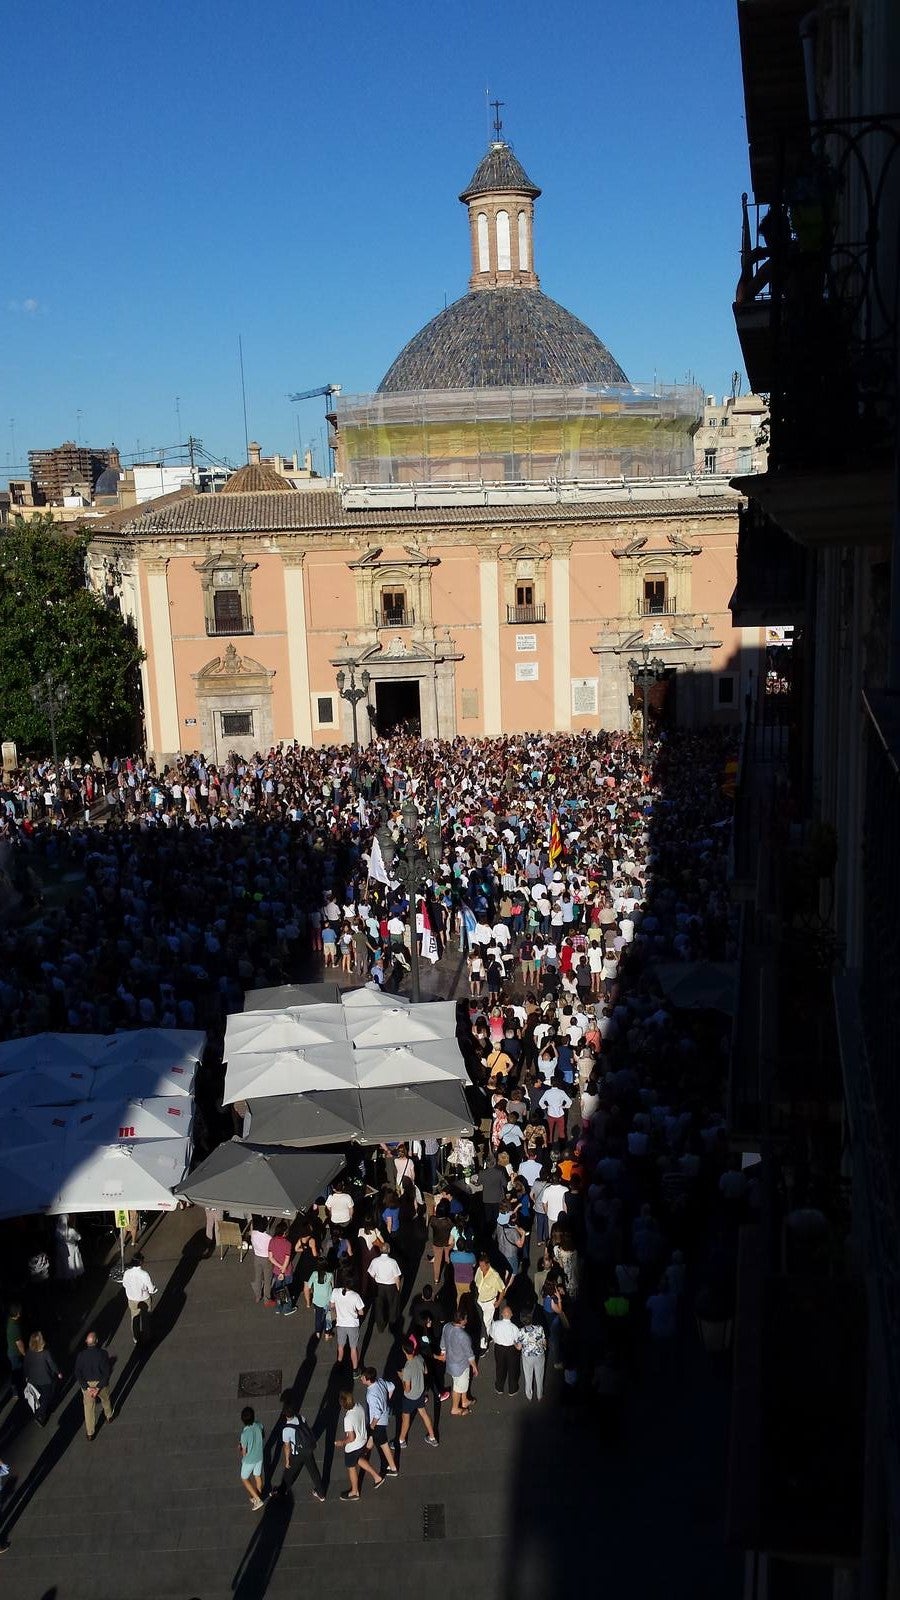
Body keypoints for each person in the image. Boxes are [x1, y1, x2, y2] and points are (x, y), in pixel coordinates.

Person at [275, 1390, 325, 1501]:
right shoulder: (301, 1418)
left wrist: (287, 1460)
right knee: (314, 1471)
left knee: (288, 1474)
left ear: (284, 1414)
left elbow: (287, 1446)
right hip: (307, 1449)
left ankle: (282, 1491)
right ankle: (321, 1493)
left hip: (297, 1454)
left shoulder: (287, 1429)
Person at [335, 1390, 385, 1500]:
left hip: (353, 1447)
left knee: (351, 1467)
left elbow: (351, 1437)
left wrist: (342, 1442)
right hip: (363, 1440)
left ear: (343, 1405)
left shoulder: (347, 1418)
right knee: (359, 1459)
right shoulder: (359, 1406)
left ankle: (354, 1492)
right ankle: (377, 1477)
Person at [397, 1337, 439, 1450]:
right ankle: (432, 1437)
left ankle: (401, 1440)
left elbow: (407, 1389)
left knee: (406, 1418)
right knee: (424, 1414)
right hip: (420, 1393)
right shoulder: (419, 1358)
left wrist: (401, 1377)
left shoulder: (407, 1368)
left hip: (410, 1398)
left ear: (404, 1351)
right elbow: (425, 1371)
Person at [74, 1331, 114, 1440]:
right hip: (100, 1383)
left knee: (88, 1408)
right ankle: (109, 1416)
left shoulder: (81, 1355)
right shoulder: (103, 1354)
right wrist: (98, 1387)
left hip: (87, 1385)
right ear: (97, 1341)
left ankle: (90, 1432)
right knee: (106, 1399)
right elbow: (106, 1373)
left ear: (86, 1342)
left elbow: (78, 1372)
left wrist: (87, 1387)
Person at [438, 1309, 478, 1417]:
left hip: (451, 1362)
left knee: (462, 1384)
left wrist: (443, 1352)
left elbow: (442, 1342)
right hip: (460, 1366)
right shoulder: (463, 1336)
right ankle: (455, 1408)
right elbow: (469, 1354)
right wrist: (475, 1367)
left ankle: (464, 1400)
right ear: (461, 1321)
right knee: (457, 1387)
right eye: (465, 1319)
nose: (467, 1320)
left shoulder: (447, 1326)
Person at [360, 1367, 399, 1478]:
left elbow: (377, 1413)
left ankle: (393, 1468)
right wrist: (387, 1401)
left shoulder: (371, 1394)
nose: (361, 1378)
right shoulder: (380, 1381)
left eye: (363, 1377)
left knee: (384, 1445)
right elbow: (392, 1386)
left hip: (378, 1422)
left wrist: (372, 1425)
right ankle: (363, 1453)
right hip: (384, 1418)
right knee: (372, 1438)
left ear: (368, 1380)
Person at [23, 1333, 62, 1426]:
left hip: (33, 1380)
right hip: (46, 1380)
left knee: (38, 1396)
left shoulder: (29, 1353)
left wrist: (26, 1376)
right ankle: (40, 1414)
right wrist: (58, 1372)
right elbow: (52, 1364)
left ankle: (39, 1411)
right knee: (46, 1397)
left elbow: (26, 1365)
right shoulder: (45, 1353)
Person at [329, 1273, 365, 1370]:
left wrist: (336, 1312)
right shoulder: (355, 1296)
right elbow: (361, 1312)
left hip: (340, 1323)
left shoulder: (335, 1292)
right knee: (353, 1348)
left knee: (341, 1346)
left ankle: (339, 1364)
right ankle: (355, 1369)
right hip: (352, 1325)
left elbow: (331, 1306)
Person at [474, 1254, 508, 1351]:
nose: (481, 1268)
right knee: (481, 1322)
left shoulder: (494, 1276)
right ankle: (490, 1335)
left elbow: (502, 1289)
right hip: (478, 1301)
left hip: (489, 1303)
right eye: (480, 1265)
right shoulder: (478, 1270)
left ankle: (483, 1347)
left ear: (488, 1265)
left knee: (485, 1324)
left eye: (483, 1266)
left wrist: (499, 1301)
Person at [367, 1241, 403, 1333]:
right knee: (392, 1305)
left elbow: (371, 1274)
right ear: (389, 1250)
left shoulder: (375, 1261)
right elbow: (397, 1277)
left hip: (379, 1286)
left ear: (380, 1250)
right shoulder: (393, 1262)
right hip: (391, 1287)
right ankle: (392, 1324)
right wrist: (398, 1288)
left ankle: (380, 1326)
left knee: (379, 1307)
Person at [121, 1253, 157, 1345]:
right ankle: (146, 1337)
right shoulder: (144, 1274)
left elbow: (124, 1284)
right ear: (141, 1262)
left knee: (134, 1318)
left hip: (132, 1299)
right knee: (146, 1319)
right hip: (144, 1298)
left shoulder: (127, 1273)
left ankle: (136, 1337)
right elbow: (151, 1289)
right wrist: (153, 1289)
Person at [238, 1406, 266, 1510]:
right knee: (257, 1475)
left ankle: (257, 1499)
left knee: (244, 1478)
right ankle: (258, 1494)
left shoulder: (244, 1434)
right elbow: (262, 1436)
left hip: (249, 1460)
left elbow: (244, 1452)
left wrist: (240, 1448)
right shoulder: (259, 1425)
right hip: (259, 1456)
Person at [490, 1305, 522, 1395]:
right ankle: (512, 1389)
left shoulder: (495, 1324)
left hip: (499, 1349)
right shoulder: (514, 1327)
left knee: (500, 1368)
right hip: (511, 1349)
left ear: (501, 1314)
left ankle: (499, 1387)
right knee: (513, 1369)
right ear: (511, 1315)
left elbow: (492, 1335)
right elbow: (517, 1340)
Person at [519, 1312, 547, 1401]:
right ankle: (539, 1395)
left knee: (528, 1376)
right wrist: (544, 1347)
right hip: (539, 1355)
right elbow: (544, 1341)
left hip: (527, 1356)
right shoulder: (539, 1328)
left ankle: (529, 1395)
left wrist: (515, 1344)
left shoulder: (521, 1331)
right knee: (540, 1375)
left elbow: (519, 1347)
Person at [304, 1260, 335, 1340]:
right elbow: (333, 1286)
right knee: (327, 1317)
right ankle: (327, 1335)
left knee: (318, 1317)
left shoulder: (314, 1274)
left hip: (317, 1300)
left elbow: (309, 1286)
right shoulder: (330, 1275)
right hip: (327, 1300)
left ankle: (318, 1333)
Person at [249, 1217, 273, 1305]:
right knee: (267, 1280)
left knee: (258, 1277)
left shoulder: (253, 1234)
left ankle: (258, 1296)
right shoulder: (269, 1238)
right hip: (266, 1259)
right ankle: (267, 1299)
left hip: (257, 1257)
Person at [5, 1304, 24, 1394]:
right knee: (18, 1371)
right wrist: (24, 1353)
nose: (20, 1314)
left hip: (10, 1352)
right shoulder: (15, 1327)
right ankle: (17, 1390)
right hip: (15, 1353)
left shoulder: (10, 1321)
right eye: (18, 1313)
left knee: (15, 1371)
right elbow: (19, 1343)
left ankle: (15, 1388)